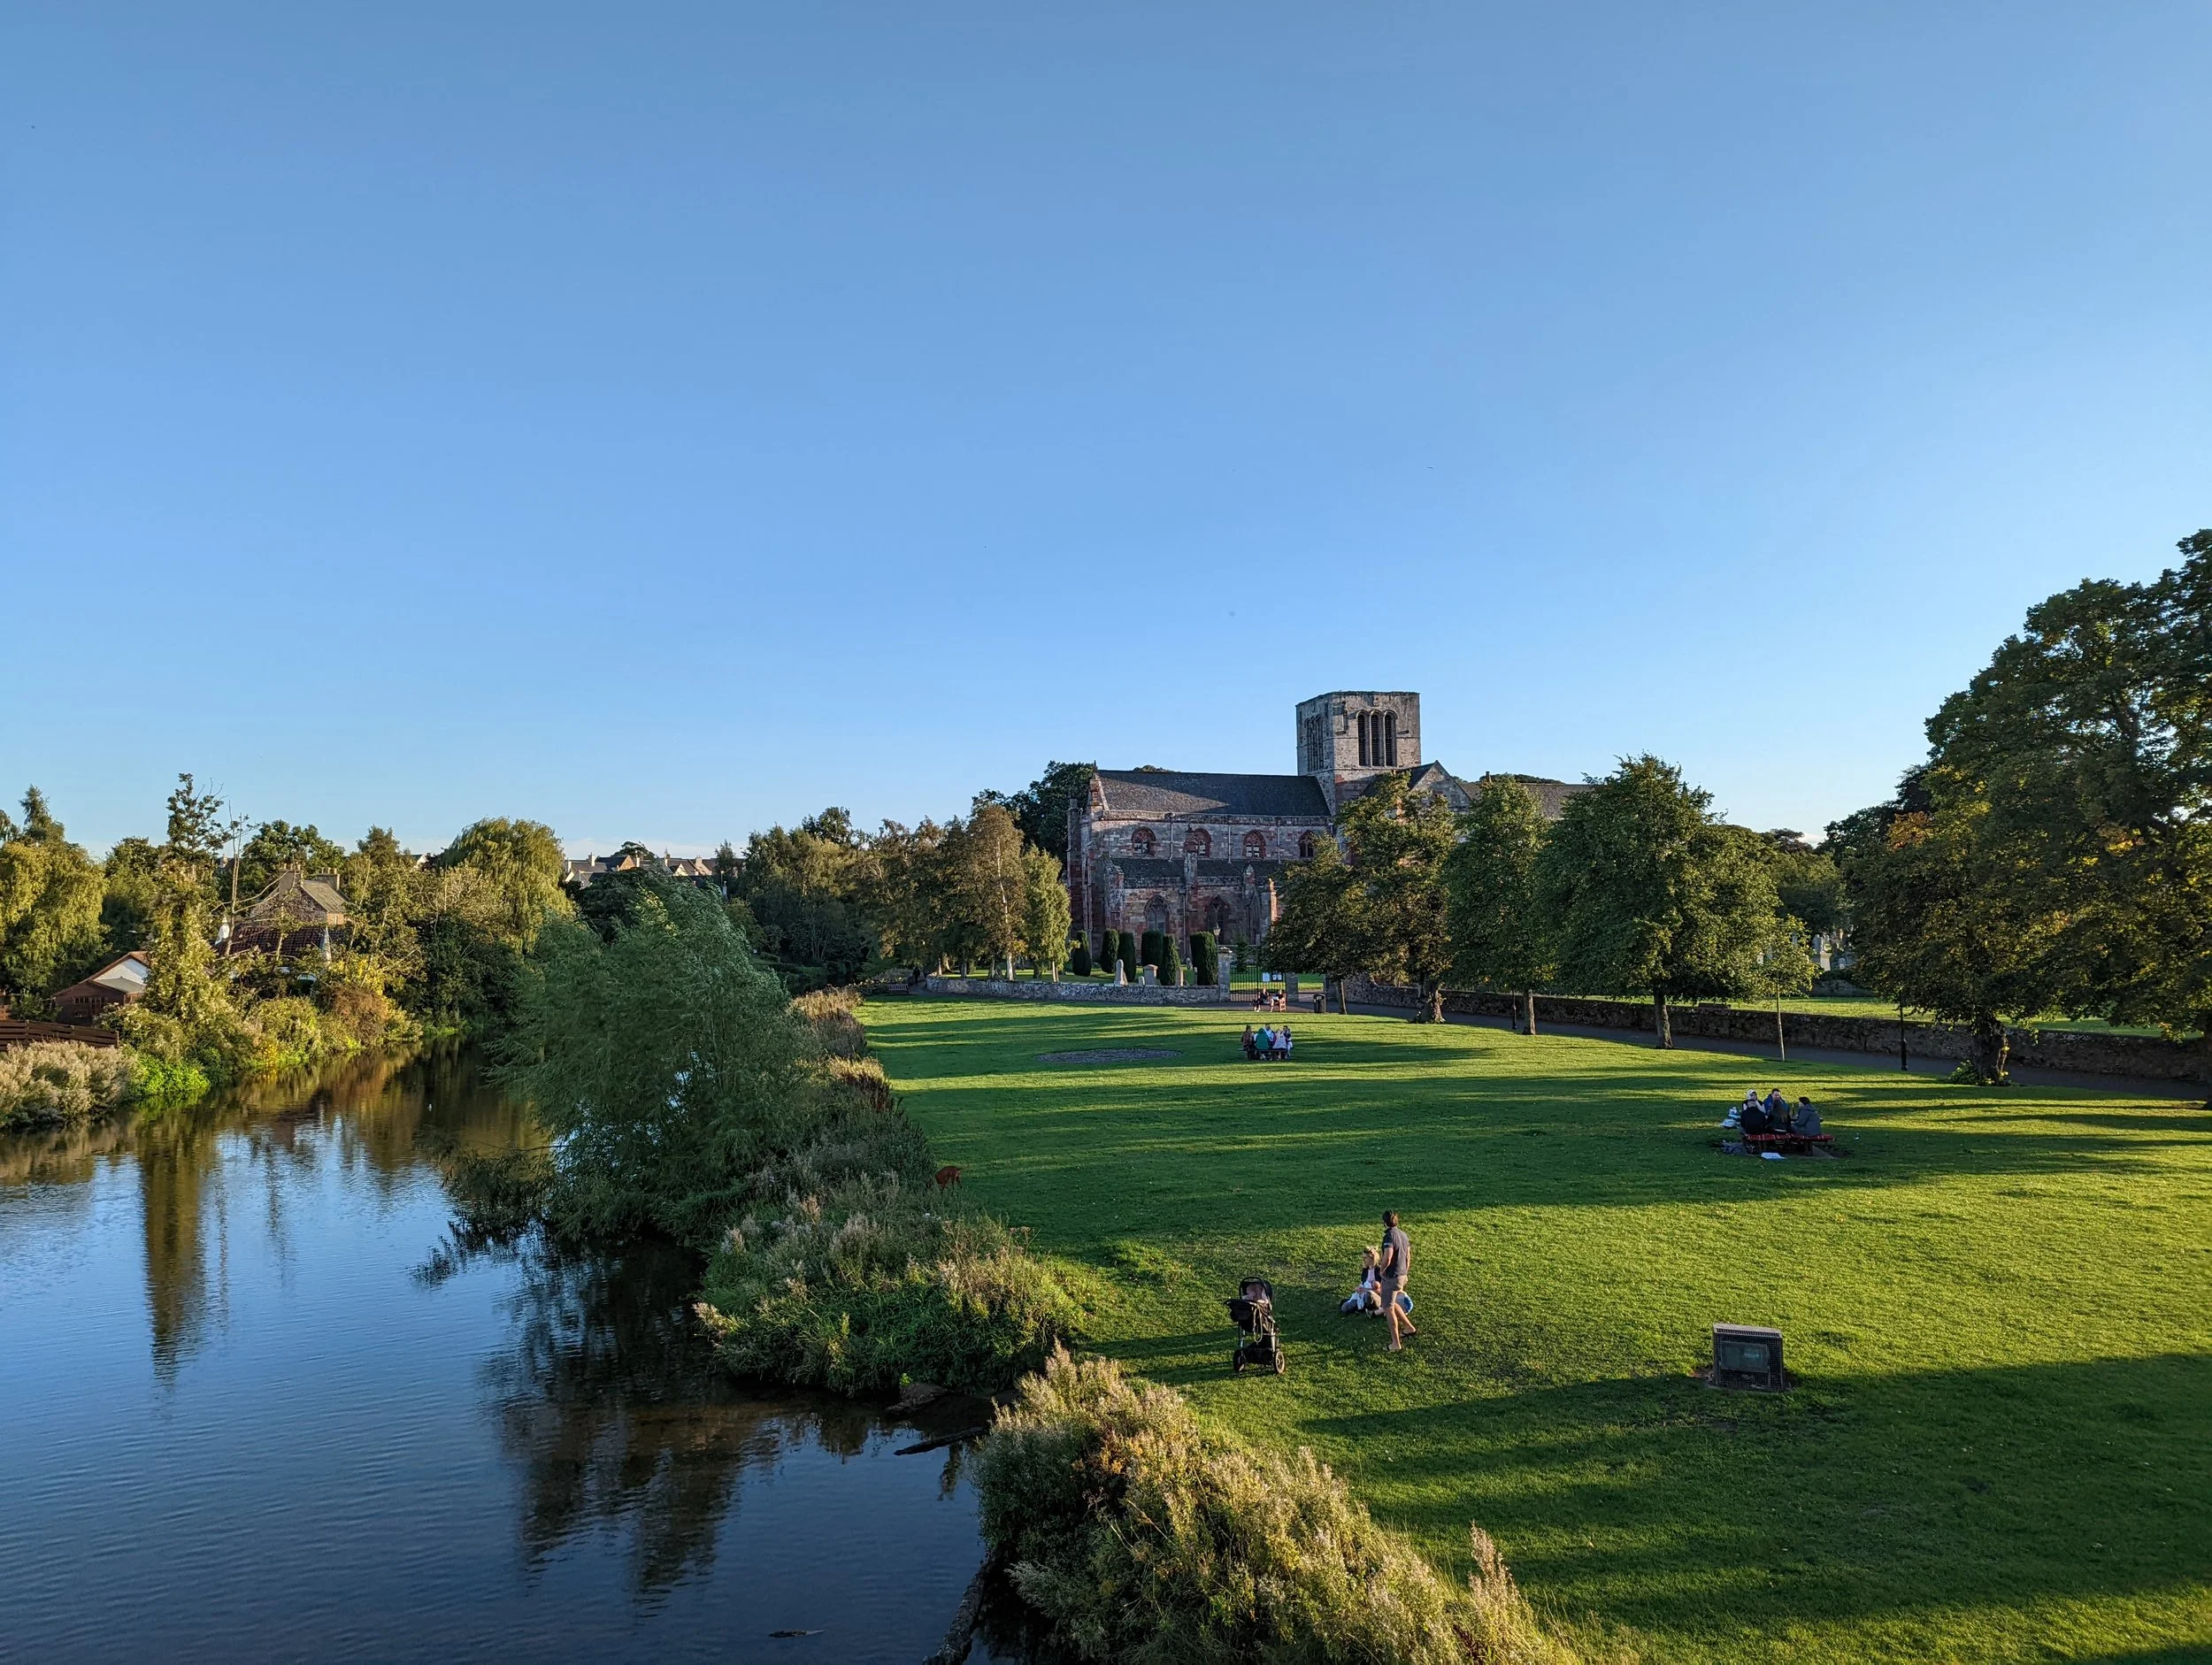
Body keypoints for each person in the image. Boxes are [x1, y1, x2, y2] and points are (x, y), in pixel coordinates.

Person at [1378, 1210, 1415, 1350]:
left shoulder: (1389, 1237)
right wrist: (1405, 1272)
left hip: (1392, 1277)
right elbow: (1408, 1256)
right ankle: (1409, 1327)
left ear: (1384, 1222)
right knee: (1392, 1303)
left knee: (1388, 1308)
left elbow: (1388, 1257)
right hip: (1402, 1275)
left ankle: (1395, 1344)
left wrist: (1382, 1271)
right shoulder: (1403, 1235)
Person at [1340, 1247, 1381, 1314]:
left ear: (1372, 1258)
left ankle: (1364, 1307)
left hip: (1375, 1295)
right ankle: (1360, 1306)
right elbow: (1362, 1284)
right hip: (1362, 1295)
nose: (1363, 1260)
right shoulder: (1365, 1271)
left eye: (1365, 1258)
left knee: (1370, 1296)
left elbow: (1382, 1290)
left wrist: (1366, 1290)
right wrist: (1358, 1289)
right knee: (1345, 1307)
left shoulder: (1379, 1271)